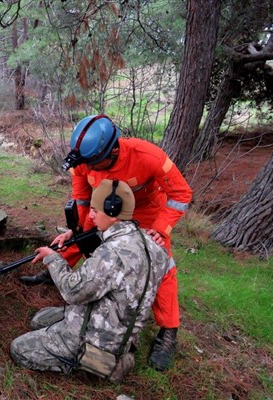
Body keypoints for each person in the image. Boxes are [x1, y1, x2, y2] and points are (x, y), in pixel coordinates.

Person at [19, 114, 193, 371]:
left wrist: (161, 229)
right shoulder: (83, 160)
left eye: (93, 164)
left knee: (162, 266)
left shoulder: (147, 156)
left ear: (111, 151)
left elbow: (181, 193)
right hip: (101, 210)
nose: (87, 169)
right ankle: (57, 273)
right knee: (83, 238)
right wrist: (75, 229)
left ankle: (168, 332)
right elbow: (81, 199)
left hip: (146, 214)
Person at [10, 179, 170, 383]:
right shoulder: (153, 245)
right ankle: (116, 355)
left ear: (113, 213)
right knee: (38, 320)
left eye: (95, 210)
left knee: (19, 349)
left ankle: (91, 364)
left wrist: (52, 258)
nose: (91, 215)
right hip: (119, 330)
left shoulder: (111, 254)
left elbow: (72, 290)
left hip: (94, 338)